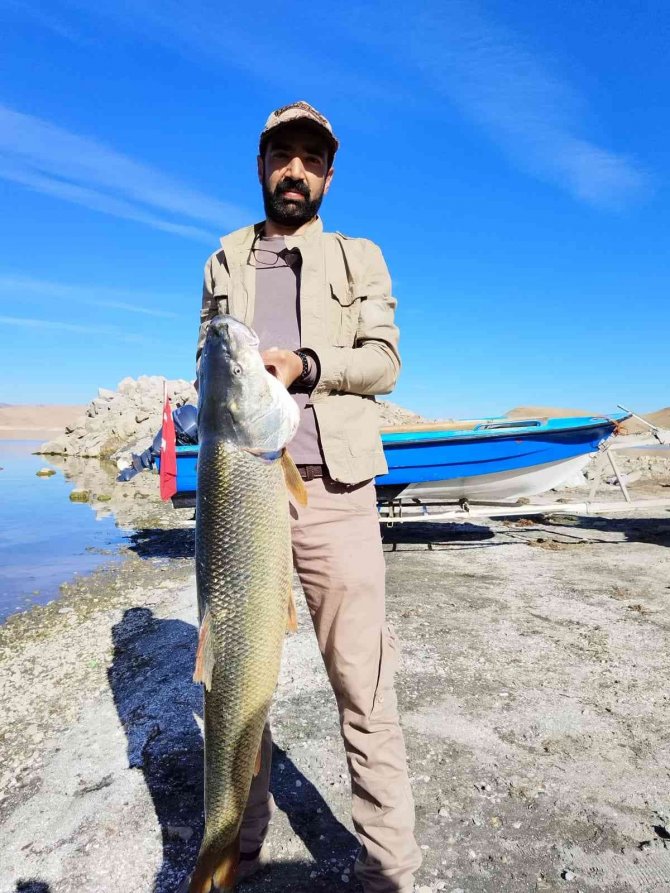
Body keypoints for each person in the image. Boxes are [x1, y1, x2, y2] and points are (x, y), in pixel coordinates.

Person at [195, 101, 422, 893]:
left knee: (362, 686)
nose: (295, 169)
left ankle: (388, 872)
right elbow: (210, 368)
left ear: (328, 174)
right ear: (261, 165)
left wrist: (307, 366)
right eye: (281, 154)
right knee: (236, 683)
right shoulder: (222, 261)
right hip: (237, 498)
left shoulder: (360, 257)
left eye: (311, 158)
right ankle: (231, 861)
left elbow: (384, 361)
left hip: (336, 491)